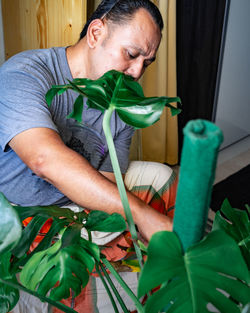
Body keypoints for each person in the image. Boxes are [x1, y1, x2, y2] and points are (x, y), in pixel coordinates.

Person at [0, 0, 178, 312]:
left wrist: (109, 221)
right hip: (20, 213)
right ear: (96, 32)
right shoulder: (24, 73)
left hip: (76, 207)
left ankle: (171, 264)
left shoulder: (118, 100)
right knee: (82, 286)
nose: (137, 71)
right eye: (131, 54)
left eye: (146, 62)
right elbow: (44, 158)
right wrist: (142, 216)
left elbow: (110, 180)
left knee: (165, 178)